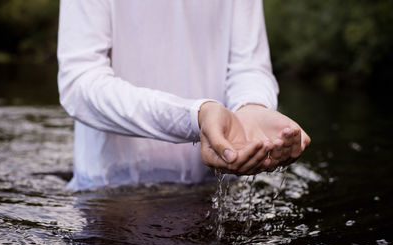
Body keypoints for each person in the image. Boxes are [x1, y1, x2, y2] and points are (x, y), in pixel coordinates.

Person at [57, 0, 310, 191]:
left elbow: (249, 67)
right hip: (109, 194)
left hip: (213, 187)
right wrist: (195, 116)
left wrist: (253, 108)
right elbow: (80, 83)